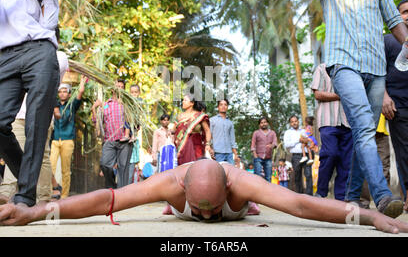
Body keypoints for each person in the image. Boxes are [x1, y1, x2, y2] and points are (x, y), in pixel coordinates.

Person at [1, 159, 408, 234]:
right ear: (182, 193)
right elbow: (106, 199)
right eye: (202, 212)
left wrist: (369, 217)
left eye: (214, 212)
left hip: (241, 201)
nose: (209, 221)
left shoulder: (242, 181)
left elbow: (300, 204)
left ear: (229, 191)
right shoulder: (168, 181)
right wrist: (35, 212)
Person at [300, 0, 408, 217]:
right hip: (343, 65)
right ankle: (383, 196)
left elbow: (394, 21)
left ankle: (350, 197)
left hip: (376, 68)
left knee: (366, 135)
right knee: (362, 128)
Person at [0, 0, 61, 208]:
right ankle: (28, 177)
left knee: (37, 125)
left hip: (40, 52)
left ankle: (25, 195)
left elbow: (50, 23)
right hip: (5, 57)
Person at [0, 50, 69, 205]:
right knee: (12, 151)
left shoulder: (59, 57)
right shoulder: (16, 52)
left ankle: (42, 197)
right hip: (16, 115)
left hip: (42, 113)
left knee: (42, 156)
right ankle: (8, 194)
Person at [311, 63, 353, 201]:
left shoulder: (351, 68)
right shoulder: (321, 68)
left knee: (346, 161)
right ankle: (321, 192)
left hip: (348, 121)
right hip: (328, 120)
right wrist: (340, 96)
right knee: (330, 154)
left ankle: (340, 197)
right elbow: (317, 94)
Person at [382, 0, 408, 212]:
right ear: (397, 16)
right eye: (405, 12)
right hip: (398, 107)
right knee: (404, 153)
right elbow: (378, 71)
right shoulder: (388, 41)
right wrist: (384, 97)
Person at [50, 76, 87, 199]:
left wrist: (82, 80)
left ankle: (64, 196)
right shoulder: (53, 105)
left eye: (65, 91)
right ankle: (52, 191)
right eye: (60, 91)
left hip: (67, 140)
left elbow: (80, 91)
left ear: (69, 93)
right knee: (50, 166)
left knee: (65, 170)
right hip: (55, 140)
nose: (62, 94)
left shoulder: (72, 105)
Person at [91, 80, 132, 189]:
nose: (119, 88)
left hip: (124, 142)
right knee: (104, 164)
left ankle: (122, 195)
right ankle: (112, 186)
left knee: (123, 169)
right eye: (117, 86)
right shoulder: (105, 105)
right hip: (109, 140)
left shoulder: (127, 104)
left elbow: (134, 122)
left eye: (121, 87)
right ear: (112, 89)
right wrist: (94, 108)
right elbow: (97, 122)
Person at [173, 94, 213, 165]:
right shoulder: (180, 116)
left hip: (196, 147)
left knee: (196, 167)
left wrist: (208, 144)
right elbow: (175, 131)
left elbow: (207, 131)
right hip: (181, 148)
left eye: (185, 100)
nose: (183, 102)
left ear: (192, 103)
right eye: (183, 100)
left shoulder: (199, 116)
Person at [283, 115, 313, 195]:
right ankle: (300, 195)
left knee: (308, 175)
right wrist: (298, 140)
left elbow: (309, 141)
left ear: (298, 121)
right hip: (296, 156)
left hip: (306, 155)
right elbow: (286, 145)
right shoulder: (288, 132)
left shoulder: (303, 131)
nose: (294, 123)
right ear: (290, 123)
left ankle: (310, 195)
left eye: (295, 121)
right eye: (292, 122)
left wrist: (307, 140)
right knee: (297, 176)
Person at [210, 99, 239, 166]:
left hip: (229, 153)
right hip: (217, 153)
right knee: (218, 174)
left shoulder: (230, 123)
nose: (223, 106)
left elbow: (232, 139)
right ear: (218, 107)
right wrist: (211, 149)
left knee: (231, 173)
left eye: (225, 105)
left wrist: (235, 154)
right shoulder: (212, 120)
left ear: (227, 107)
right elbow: (209, 136)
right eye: (221, 104)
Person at [250, 117, 277, 183]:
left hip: (268, 158)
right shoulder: (256, 133)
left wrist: (272, 145)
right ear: (259, 125)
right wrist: (255, 155)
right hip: (258, 157)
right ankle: (257, 192)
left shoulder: (272, 133)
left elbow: (275, 143)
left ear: (267, 123)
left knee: (268, 177)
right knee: (258, 176)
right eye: (261, 123)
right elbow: (253, 145)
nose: (263, 124)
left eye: (265, 122)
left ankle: (268, 192)